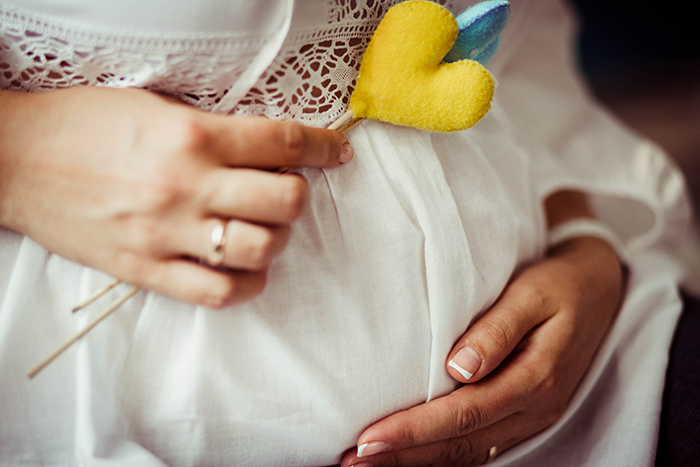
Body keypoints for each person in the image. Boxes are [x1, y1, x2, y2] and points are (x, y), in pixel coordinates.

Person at [0, 0, 691, 466]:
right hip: (96, 410)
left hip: (589, 384)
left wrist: (584, 232)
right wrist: (15, 151)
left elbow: (510, 28)